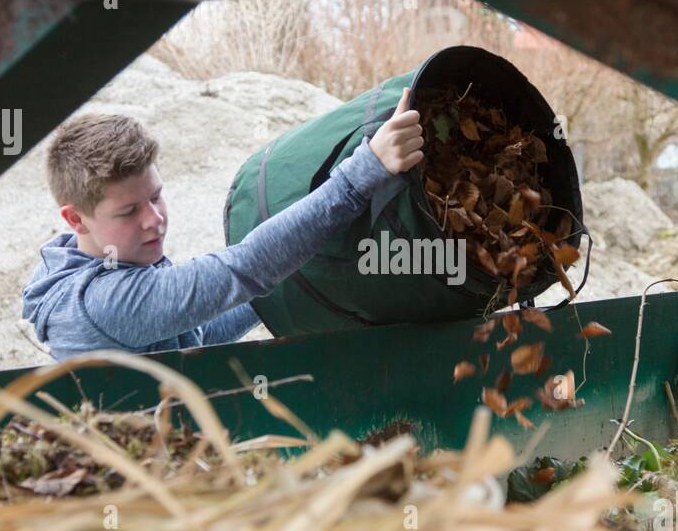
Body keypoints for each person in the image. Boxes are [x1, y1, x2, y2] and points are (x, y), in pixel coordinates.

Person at [21, 89, 424, 360]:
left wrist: (294, 262)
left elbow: (198, 333)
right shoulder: (102, 304)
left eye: (156, 195)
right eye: (129, 212)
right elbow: (244, 268)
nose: (154, 219)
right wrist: (363, 172)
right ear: (76, 219)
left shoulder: (113, 260)